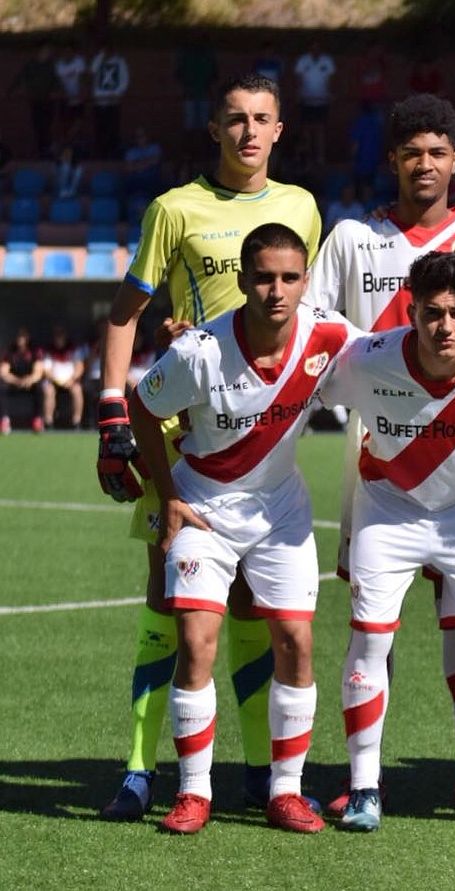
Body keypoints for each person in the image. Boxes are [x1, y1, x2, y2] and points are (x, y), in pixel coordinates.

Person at [96, 72, 321, 822]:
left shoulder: (301, 209)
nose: (248, 132)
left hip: (262, 441)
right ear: (215, 129)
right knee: (170, 603)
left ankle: (263, 773)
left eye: (261, 119)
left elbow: (306, 309)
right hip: (184, 433)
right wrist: (111, 418)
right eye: (234, 119)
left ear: (280, 129)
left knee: (258, 610)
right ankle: (138, 768)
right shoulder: (174, 208)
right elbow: (125, 312)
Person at [305, 93, 455, 816]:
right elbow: (317, 328)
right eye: (411, 153)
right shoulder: (351, 239)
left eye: (437, 152)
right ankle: (365, 774)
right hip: (377, 458)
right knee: (375, 623)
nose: (424, 164)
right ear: (392, 160)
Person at [128, 224, 357, 834]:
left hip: (280, 509)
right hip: (204, 506)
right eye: (263, 277)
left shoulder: (329, 335)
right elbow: (142, 410)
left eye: (288, 278)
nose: (275, 291)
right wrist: (170, 499)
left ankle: (286, 791)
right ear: (241, 281)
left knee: (296, 643)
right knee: (198, 640)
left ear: (305, 282)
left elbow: (391, 357)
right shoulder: (199, 351)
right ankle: (194, 792)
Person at [320, 251, 455, 833]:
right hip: (387, 513)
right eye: (431, 312)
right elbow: (301, 382)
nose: (443, 326)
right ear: (412, 311)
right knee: (370, 639)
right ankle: (365, 787)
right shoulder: (367, 359)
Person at [7, 41, 59, 158]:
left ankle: (47, 148)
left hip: (48, 101)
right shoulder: (31, 65)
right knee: (38, 125)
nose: (48, 53)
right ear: (39, 51)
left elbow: (56, 80)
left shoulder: (51, 65)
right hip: (36, 100)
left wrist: (59, 91)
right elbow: (20, 78)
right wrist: (10, 91)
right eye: (46, 51)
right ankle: (42, 150)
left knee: (47, 125)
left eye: (49, 51)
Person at [294, 42, 335, 165]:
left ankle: (320, 158)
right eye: (313, 47)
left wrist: (330, 94)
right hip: (306, 100)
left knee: (320, 130)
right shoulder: (303, 60)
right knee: (306, 130)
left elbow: (331, 80)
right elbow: (298, 80)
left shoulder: (327, 61)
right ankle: (307, 157)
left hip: (322, 101)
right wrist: (298, 95)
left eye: (317, 48)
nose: (315, 50)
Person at [0, 328, 45, 434]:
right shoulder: (10, 351)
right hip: (14, 382)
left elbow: (38, 372)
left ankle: (38, 420)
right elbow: (3, 372)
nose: (21, 340)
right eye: (19, 337)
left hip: (29, 383)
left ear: (27, 339)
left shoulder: (35, 351)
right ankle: (4, 420)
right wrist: (17, 381)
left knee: (40, 387)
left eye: (23, 337)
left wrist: (29, 380)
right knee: (1, 387)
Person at [40, 324, 85, 428]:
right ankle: (48, 422)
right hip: (54, 381)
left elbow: (80, 367)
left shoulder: (74, 348)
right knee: (48, 390)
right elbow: (46, 370)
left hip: (70, 381)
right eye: (57, 336)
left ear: (65, 336)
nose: (59, 338)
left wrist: (72, 379)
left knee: (77, 390)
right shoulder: (49, 350)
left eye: (61, 336)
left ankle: (76, 422)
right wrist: (55, 380)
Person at [90, 42, 129, 159]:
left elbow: (124, 79)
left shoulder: (120, 62)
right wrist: (100, 57)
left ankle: (113, 153)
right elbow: (92, 70)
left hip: (113, 101)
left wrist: (117, 94)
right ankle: (101, 154)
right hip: (100, 101)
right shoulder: (98, 60)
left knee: (113, 128)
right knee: (100, 128)